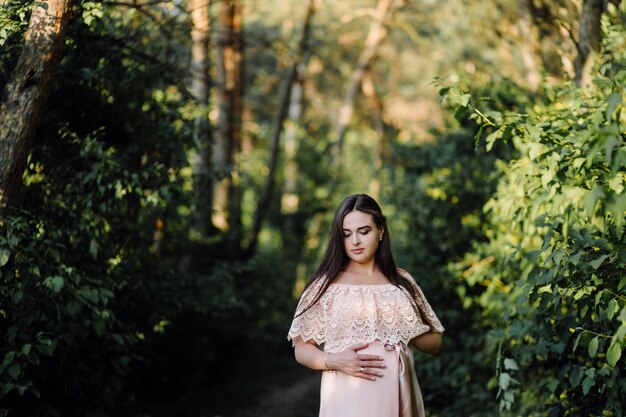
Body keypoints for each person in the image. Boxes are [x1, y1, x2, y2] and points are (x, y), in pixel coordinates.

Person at [287, 194, 444, 417]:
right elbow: (301, 349)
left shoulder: (401, 283)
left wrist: (402, 324)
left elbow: (436, 344)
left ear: (380, 231)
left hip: (398, 395)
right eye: (346, 234)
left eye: (364, 231)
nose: (355, 242)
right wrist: (332, 360)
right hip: (347, 397)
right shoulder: (326, 285)